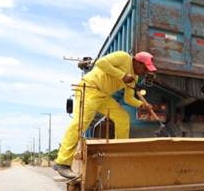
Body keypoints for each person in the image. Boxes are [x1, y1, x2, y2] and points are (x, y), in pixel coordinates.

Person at [53, 51, 156, 179]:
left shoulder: (133, 79)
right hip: (89, 88)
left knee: (122, 117)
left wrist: (142, 105)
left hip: (103, 96)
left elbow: (128, 99)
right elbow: (100, 63)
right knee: (81, 123)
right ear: (137, 62)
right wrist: (122, 75)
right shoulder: (123, 57)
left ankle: (119, 153)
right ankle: (62, 163)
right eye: (144, 68)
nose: (145, 72)